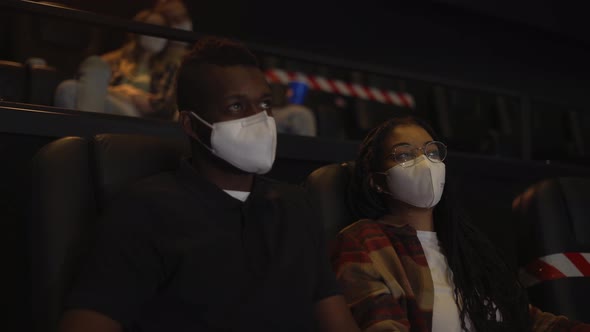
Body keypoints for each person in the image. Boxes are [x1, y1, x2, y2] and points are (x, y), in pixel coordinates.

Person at [59, 36, 360, 332]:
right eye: (236, 107)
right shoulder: (144, 210)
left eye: (265, 104)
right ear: (191, 124)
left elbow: (333, 315)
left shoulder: (297, 205)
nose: (260, 120)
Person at [330, 114, 590, 331]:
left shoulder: (469, 248)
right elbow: (382, 325)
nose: (424, 163)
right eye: (404, 155)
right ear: (377, 181)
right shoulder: (362, 242)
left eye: (432, 152)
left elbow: (526, 319)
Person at [54, 9, 178, 120]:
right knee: (69, 87)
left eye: (161, 26)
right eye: (151, 25)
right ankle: (86, 136)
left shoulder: (170, 66)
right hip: (107, 101)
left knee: (71, 89)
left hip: (137, 116)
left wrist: (128, 91)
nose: (155, 31)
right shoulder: (115, 59)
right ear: (138, 29)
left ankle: (84, 134)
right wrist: (132, 94)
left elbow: (160, 107)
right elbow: (91, 84)